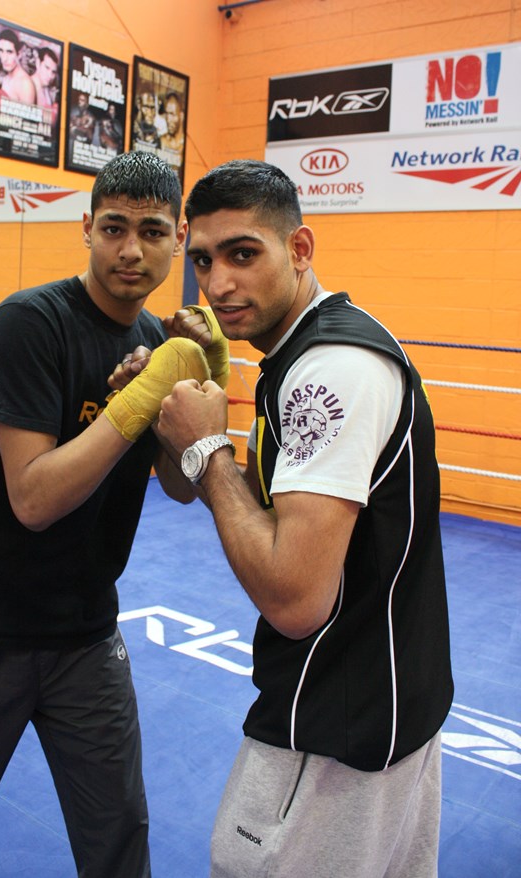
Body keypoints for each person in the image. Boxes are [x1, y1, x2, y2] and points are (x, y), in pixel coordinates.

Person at [0, 151, 228, 878]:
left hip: (85, 637)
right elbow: (33, 499)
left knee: (118, 834)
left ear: (178, 239)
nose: (131, 250)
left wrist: (203, 387)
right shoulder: (28, 325)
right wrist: (139, 401)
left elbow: (181, 489)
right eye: (114, 228)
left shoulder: (157, 344)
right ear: (86, 228)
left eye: (152, 231)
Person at [157, 159, 454, 878]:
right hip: (389, 709)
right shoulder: (309, 352)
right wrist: (183, 432)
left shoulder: (330, 370)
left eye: (243, 253)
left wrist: (205, 446)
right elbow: (238, 507)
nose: (218, 282)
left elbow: (295, 599)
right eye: (202, 260)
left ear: (299, 250)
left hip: (333, 728)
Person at [0, 27, 35, 105]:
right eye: (1, 51)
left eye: (9, 52)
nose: (4, 58)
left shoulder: (24, 83)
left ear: (19, 54)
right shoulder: (6, 77)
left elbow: (27, 117)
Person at [32, 46, 59, 111]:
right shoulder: (27, 86)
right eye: (47, 68)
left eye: (53, 72)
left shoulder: (47, 89)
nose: (50, 76)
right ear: (38, 63)